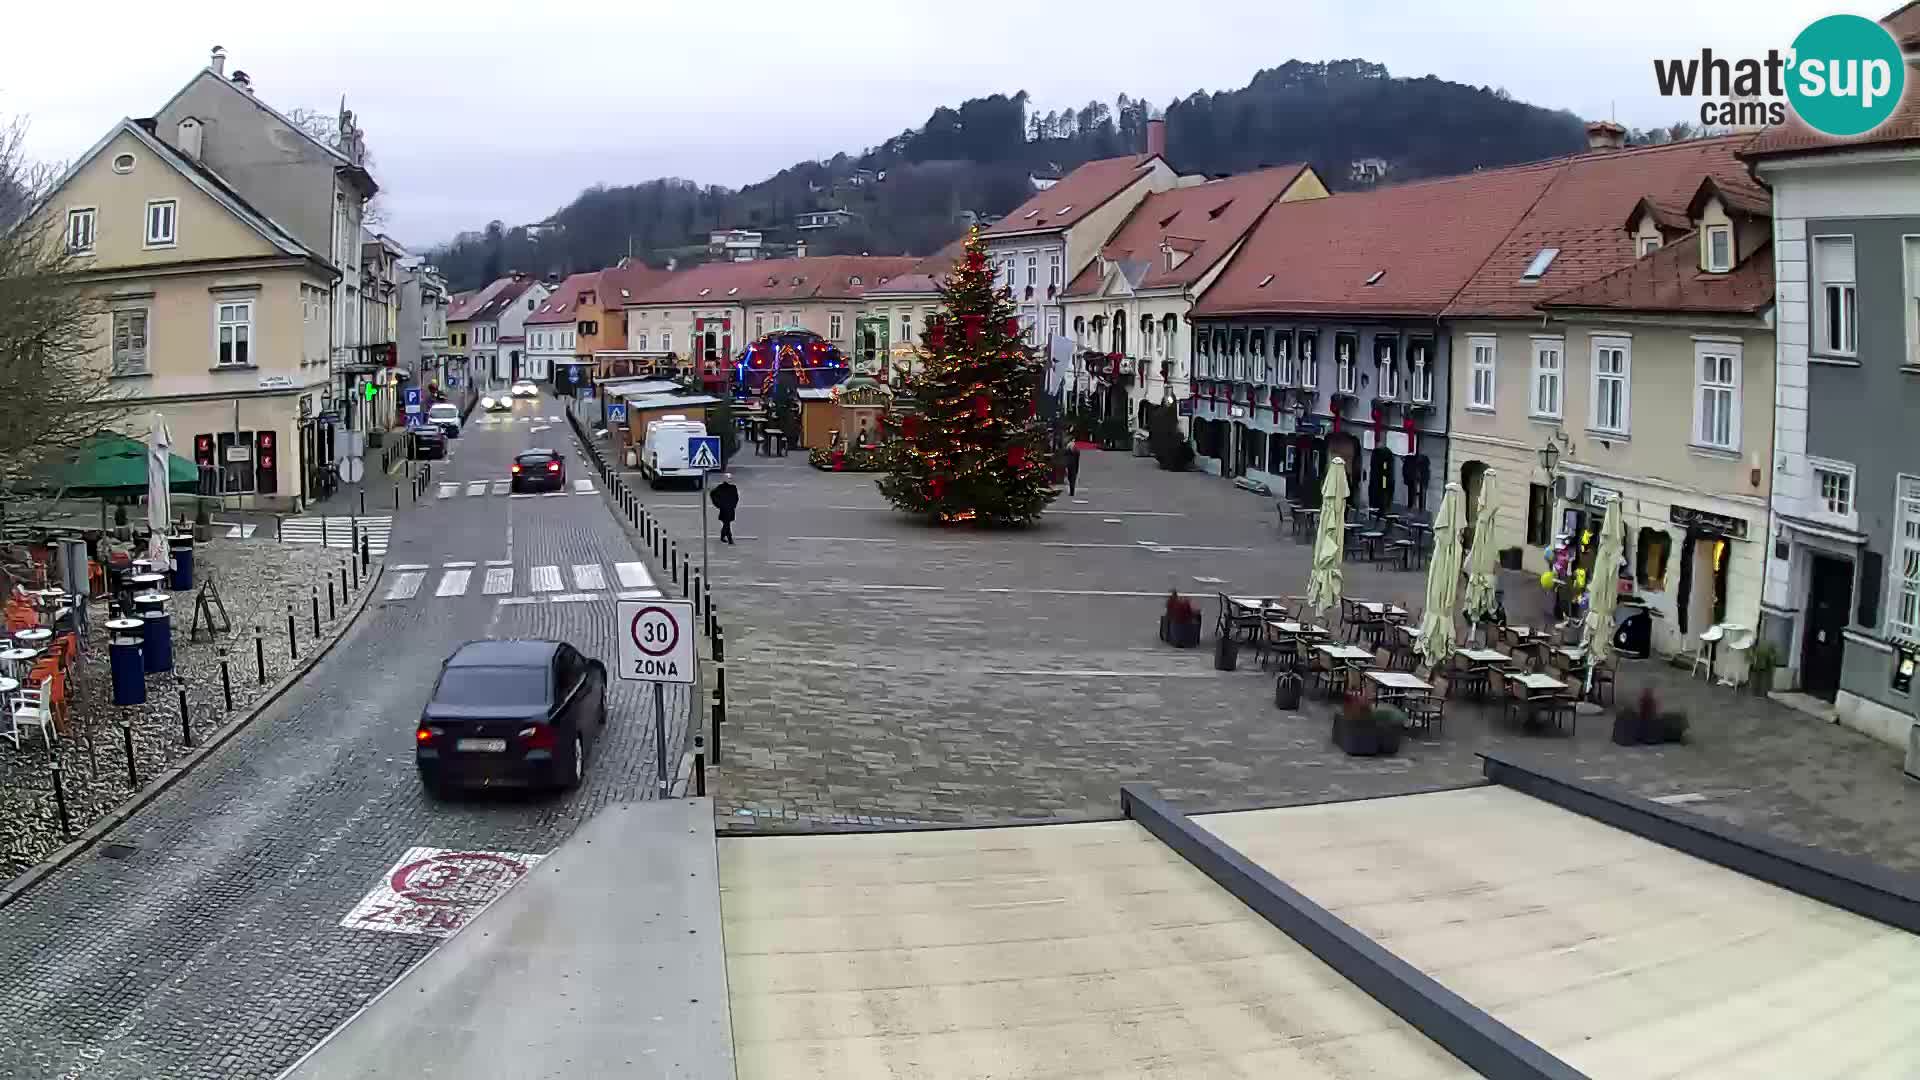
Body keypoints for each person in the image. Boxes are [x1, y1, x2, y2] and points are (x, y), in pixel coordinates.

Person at [709, 473, 740, 545]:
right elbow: (712, 494)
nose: (730, 480)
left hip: (730, 509)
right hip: (725, 509)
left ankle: (722, 536)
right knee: (727, 524)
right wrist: (718, 504)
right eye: (728, 479)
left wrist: (733, 505)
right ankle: (730, 539)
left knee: (726, 524)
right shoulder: (721, 487)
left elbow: (736, 497)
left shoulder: (733, 487)